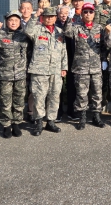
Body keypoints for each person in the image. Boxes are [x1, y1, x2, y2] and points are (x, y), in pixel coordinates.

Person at [0, 10, 30, 138]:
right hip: (5, 74)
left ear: (20, 22)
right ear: (6, 21)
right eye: (11, 20)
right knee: (5, 100)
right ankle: (6, 125)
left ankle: (16, 123)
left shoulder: (24, 35)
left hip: (21, 74)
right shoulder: (1, 34)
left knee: (19, 100)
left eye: (16, 20)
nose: (13, 23)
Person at [25, 7, 68, 135]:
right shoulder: (37, 29)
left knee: (54, 96)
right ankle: (38, 122)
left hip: (55, 70)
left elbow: (63, 50)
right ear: (42, 18)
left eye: (51, 16)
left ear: (55, 18)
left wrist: (64, 67)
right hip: (39, 69)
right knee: (39, 96)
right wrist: (35, 16)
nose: (49, 19)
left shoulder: (60, 32)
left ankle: (51, 121)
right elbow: (27, 30)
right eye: (46, 16)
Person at [64, 2, 107, 130]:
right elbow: (67, 32)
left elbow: (104, 46)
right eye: (85, 12)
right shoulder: (76, 27)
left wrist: (104, 60)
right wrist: (69, 19)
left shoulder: (99, 28)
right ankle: (82, 117)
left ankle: (96, 116)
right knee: (81, 94)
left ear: (94, 14)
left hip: (96, 67)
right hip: (81, 67)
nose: (88, 14)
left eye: (90, 12)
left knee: (97, 93)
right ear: (81, 14)